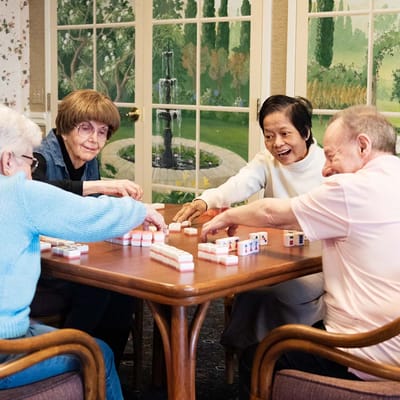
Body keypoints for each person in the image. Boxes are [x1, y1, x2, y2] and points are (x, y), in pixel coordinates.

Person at [201, 104, 400, 399]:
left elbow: (272, 213)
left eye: (331, 156)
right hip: (392, 339)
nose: (325, 168)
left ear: (362, 146)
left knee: (258, 358)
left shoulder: (352, 189)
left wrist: (229, 216)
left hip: (367, 352)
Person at [0, 104, 167, 399]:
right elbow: (90, 215)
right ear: (7, 161)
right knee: (98, 353)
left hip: (17, 332)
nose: (31, 172)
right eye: (29, 162)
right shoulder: (18, 193)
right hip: (5, 349)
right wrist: (139, 211)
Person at [174, 95, 326, 351]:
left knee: (281, 290)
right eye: (269, 136)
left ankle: (287, 351)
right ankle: (250, 353)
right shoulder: (266, 162)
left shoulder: (326, 165)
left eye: (285, 134)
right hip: (273, 254)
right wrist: (204, 202)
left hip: (317, 261)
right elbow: (239, 183)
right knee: (243, 282)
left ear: (305, 132)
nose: (277, 144)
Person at [30, 89, 143, 367]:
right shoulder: (39, 157)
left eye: (102, 132)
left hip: (73, 259)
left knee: (124, 288)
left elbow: (90, 210)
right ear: (66, 128)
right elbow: (36, 192)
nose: (94, 140)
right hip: (40, 267)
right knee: (99, 287)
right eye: (85, 128)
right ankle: (74, 364)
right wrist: (101, 186)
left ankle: (105, 369)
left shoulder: (87, 158)